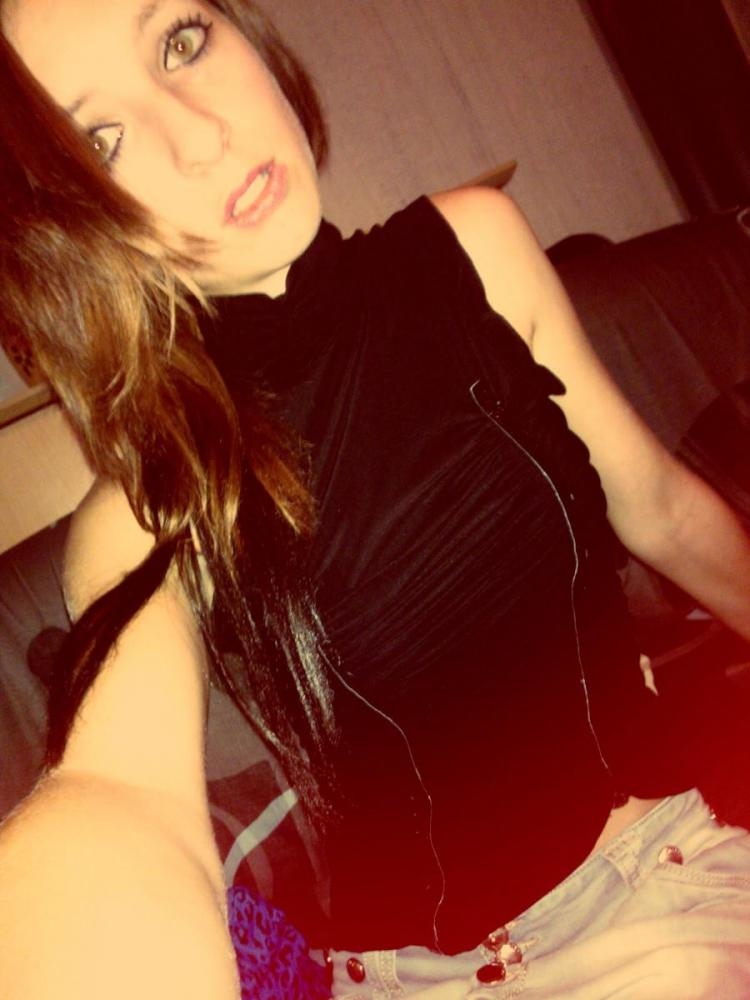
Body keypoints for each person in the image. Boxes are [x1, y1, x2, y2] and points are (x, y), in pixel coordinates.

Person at [0, 1, 749, 998]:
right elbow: (117, 792)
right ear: (67, 225)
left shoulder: (473, 245)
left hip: (664, 882)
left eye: (181, 41)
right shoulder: (154, 500)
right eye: (102, 138)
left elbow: (660, 508)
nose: (201, 135)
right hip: (416, 980)